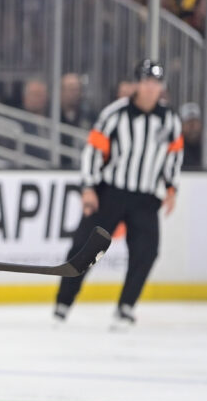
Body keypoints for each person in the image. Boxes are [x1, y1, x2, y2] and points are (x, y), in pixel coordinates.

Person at [53, 59, 183, 331]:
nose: (151, 88)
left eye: (156, 83)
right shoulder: (116, 114)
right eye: (146, 82)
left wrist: (171, 188)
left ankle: (126, 306)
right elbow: (93, 150)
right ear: (137, 84)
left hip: (146, 196)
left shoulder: (169, 119)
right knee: (85, 248)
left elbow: (174, 154)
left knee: (147, 252)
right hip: (110, 192)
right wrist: (88, 187)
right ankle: (63, 304)